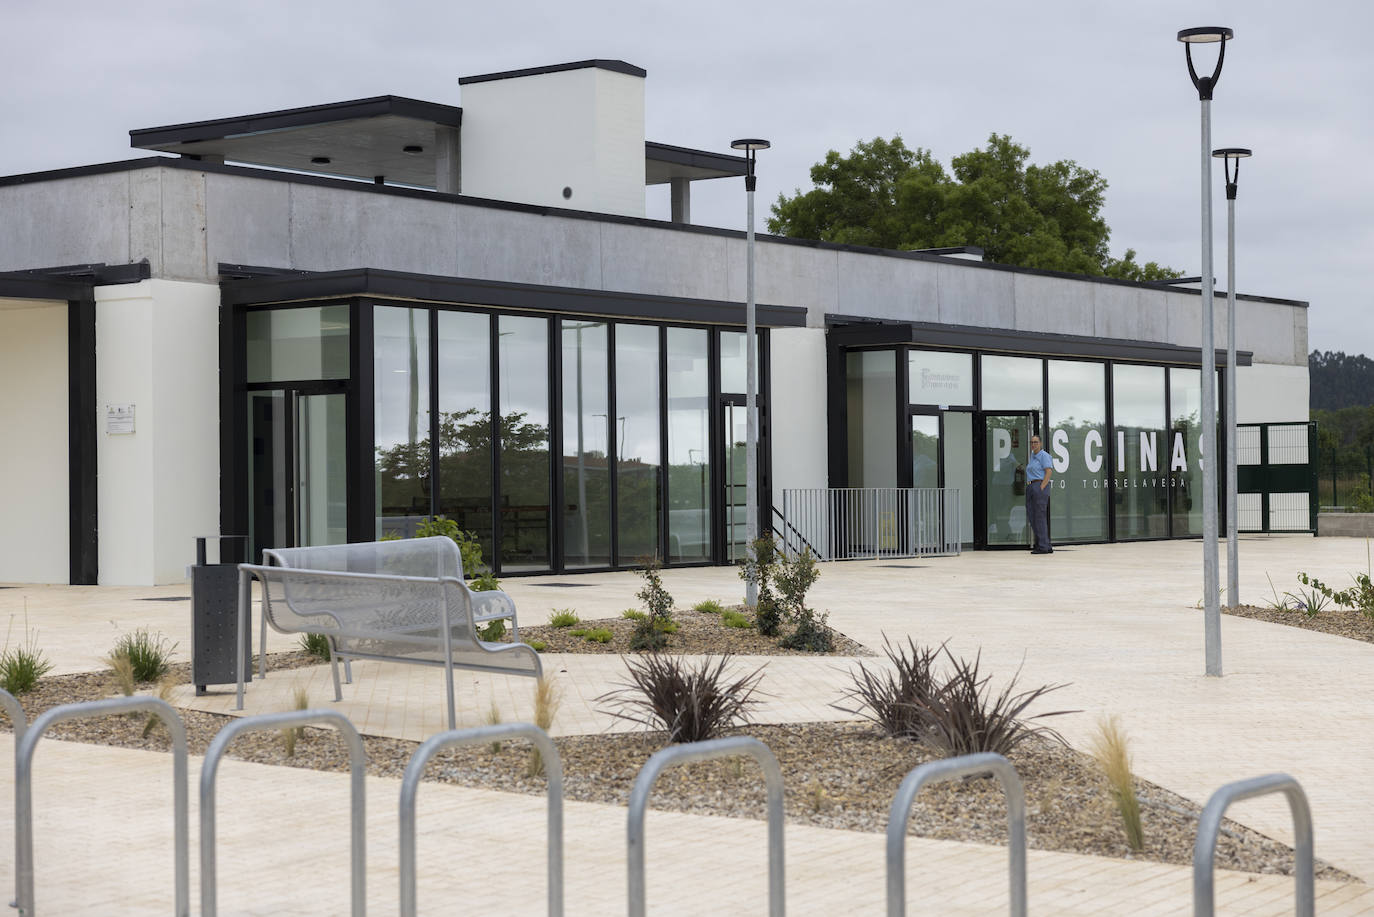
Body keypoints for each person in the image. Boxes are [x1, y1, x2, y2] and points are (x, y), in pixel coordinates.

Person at [1025, 434, 1054, 554]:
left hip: (1039, 486)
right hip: (1031, 486)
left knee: (1039, 517)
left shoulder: (1044, 455)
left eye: (1035, 442)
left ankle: (1043, 546)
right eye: (1031, 442)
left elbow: (1049, 471)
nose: (1033, 444)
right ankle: (1045, 544)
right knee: (1032, 516)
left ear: (1040, 443)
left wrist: (1042, 486)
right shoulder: (1033, 456)